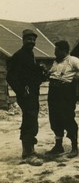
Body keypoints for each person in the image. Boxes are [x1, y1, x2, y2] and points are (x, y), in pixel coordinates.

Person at [6, 29, 47, 166]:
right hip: (26, 95)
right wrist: (21, 91)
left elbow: (33, 76)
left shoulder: (30, 55)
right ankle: (28, 154)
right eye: (29, 39)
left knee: (32, 120)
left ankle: (29, 151)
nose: (32, 42)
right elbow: (10, 76)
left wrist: (41, 72)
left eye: (33, 40)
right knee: (29, 121)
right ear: (23, 40)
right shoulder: (19, 55)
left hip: (33, 93)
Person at [46, 40, 79, 158]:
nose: (55, 52)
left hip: (66, 93)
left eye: (57, 50)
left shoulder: (73, 60)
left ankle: (74, 147)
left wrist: (77, 77)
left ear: (64, 50)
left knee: (68, 118)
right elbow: (53, 74)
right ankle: (58, 146)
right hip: (53, 92)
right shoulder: (56, 62)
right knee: (54, 118)